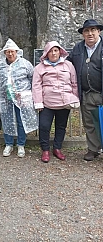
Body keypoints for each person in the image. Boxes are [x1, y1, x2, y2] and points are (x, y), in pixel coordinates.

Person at [32, 41, 80, 163]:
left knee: (61, 126)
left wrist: (75, 98)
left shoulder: (68, 65)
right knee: (44, 126)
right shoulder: (39, 68)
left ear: (60, 52)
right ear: (46, 53)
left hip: (64, 102)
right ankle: (45, 150)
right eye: (51, 51)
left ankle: (57, 148)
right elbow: (36, 86)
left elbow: (74, 83)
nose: (53, 53)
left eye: (56, 50)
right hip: (47, 103)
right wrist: (38, 102)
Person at [0, 38, 38, 158]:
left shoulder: (25, 64)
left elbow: (33, 80)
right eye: (8, 52)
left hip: (21, 100)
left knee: (21, 121)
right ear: (4, 53)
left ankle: (21, 144)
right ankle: (8, 144)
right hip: (5, 99)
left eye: (12, 51)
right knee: (7, 122)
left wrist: (30, 95)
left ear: (17, 52)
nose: (10, 54)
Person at [68, 19, 103, 161]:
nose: (90, 33)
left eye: (93, 30)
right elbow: (67, 63)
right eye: (86, 31)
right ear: (83, 34)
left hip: (101, 93)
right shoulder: (78, 48)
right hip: (86, 93)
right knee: (89, 123)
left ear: (99, 31)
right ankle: (93, 149)